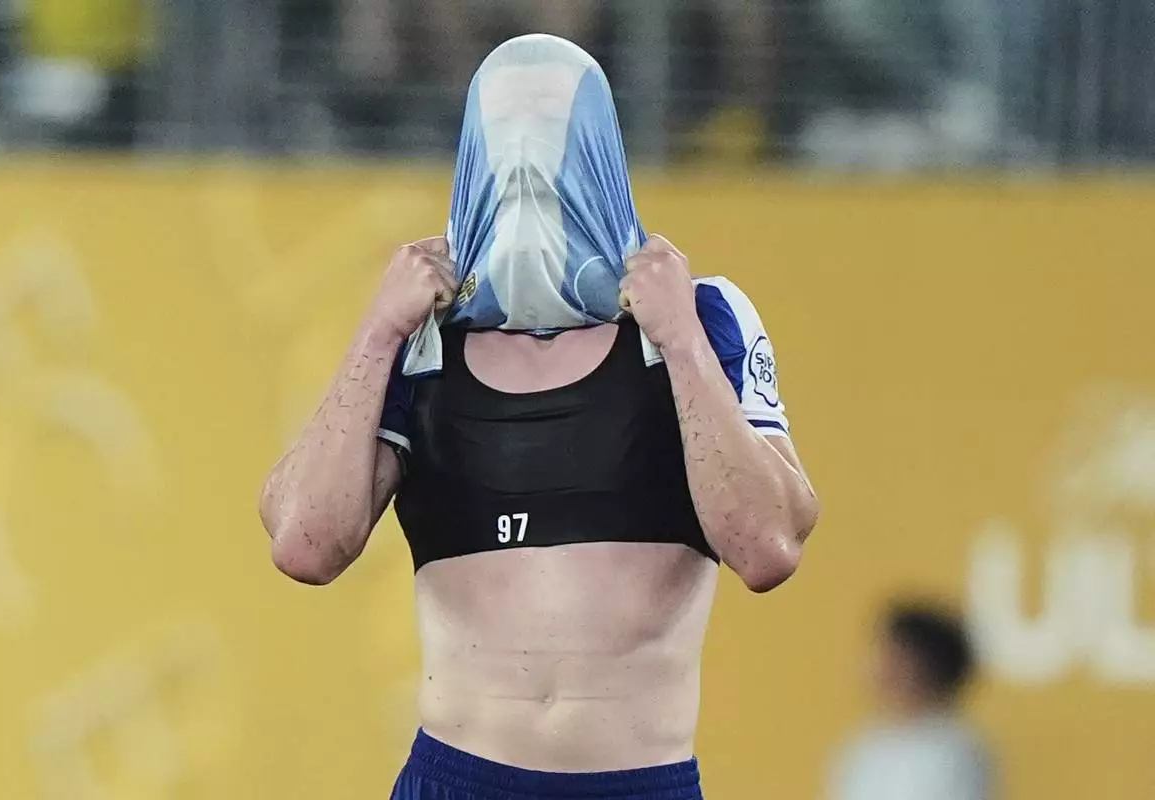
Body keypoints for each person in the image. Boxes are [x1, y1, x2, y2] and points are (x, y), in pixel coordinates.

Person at [259, 34, 819, 800]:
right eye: (506, 136)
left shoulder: (702, 315)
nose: (526, 163)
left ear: (596, 152)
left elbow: (769, 548)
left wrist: (681, 339)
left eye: (552, 135)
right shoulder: (420, 339)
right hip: (456, 774)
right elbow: (303, 543)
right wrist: (377, 331)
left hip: (636, 780)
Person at [828, 601, 993, 800]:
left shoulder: (955, 752)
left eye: (896, 658)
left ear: (923, 666)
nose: (881, 668)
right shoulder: (863, 747)